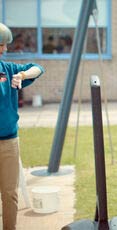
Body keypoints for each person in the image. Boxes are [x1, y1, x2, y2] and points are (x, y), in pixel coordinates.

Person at [0, 23, 45, 230]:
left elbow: (38, 68)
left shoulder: (9, 70)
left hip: (9, 142)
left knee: (10, 193)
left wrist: (23, 75)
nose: (4, 49)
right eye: (0, 45)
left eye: (4, 45)